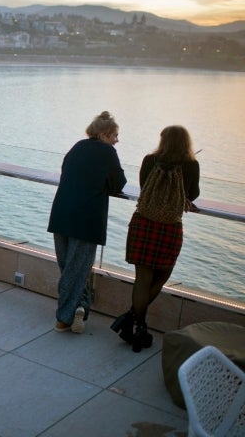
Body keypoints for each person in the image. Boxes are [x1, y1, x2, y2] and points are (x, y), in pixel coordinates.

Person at [111, 125, 200, 352]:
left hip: (143, 223)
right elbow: (193, 194)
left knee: (142, 278)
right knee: (163, 274)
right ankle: (134, 323)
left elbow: (143, 186)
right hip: (169, 227)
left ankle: (136, 325)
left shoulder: (150, 160)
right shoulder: (191, 165)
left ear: (163, 141)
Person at [48, 111, 127, 334]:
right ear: (103, 134)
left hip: (62, 213)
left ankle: (80, 307)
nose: (117, 140)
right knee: (76, 269)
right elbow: (118, 184)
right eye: (115, 135)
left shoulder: (77, 147)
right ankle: (63, 319)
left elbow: (66, 173)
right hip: (86, 219)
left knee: (69, 269)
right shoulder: (107, 152)